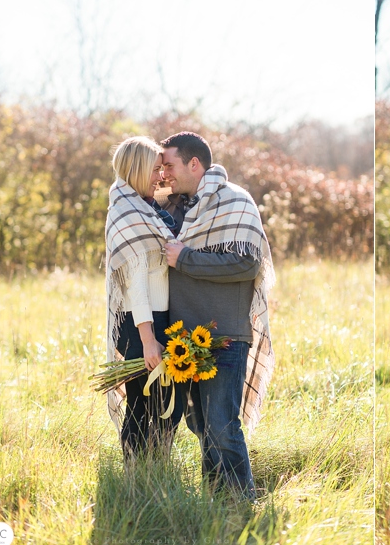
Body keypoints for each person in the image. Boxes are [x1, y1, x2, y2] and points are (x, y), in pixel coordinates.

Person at [159, 131, 275, 499]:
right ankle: (216, 500)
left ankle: (243, 503)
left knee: (223, 425)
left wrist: (186, 258)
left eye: (169, 165)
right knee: (199, 423)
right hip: (182, 339)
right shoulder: (173, 207)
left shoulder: (234, 201)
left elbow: (247, 263)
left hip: (223, 334)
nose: (164, 174)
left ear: (194, 164)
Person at [104, 136, 183, 461]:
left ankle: (158, 472)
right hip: (143, 322)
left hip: (157, 317)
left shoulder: (144, 206)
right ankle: (136, 480)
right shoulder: (129, 211)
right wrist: (148, 340)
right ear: (137, 170)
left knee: (164, 406)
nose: (160, 177)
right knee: (142, 406)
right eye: (154, 170)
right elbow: (135, 282)